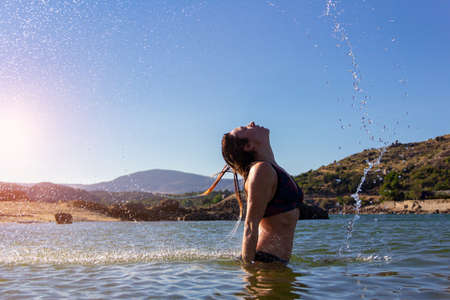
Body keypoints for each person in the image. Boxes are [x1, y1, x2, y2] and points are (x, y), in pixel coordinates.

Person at [203, 122, 303, 264]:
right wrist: (249, 275)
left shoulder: (273, 169)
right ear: (249, 146)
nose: (251, 123)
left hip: (275, 263)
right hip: (263, 262)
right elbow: (250, 225)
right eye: (245, 129)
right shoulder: (261, 170)